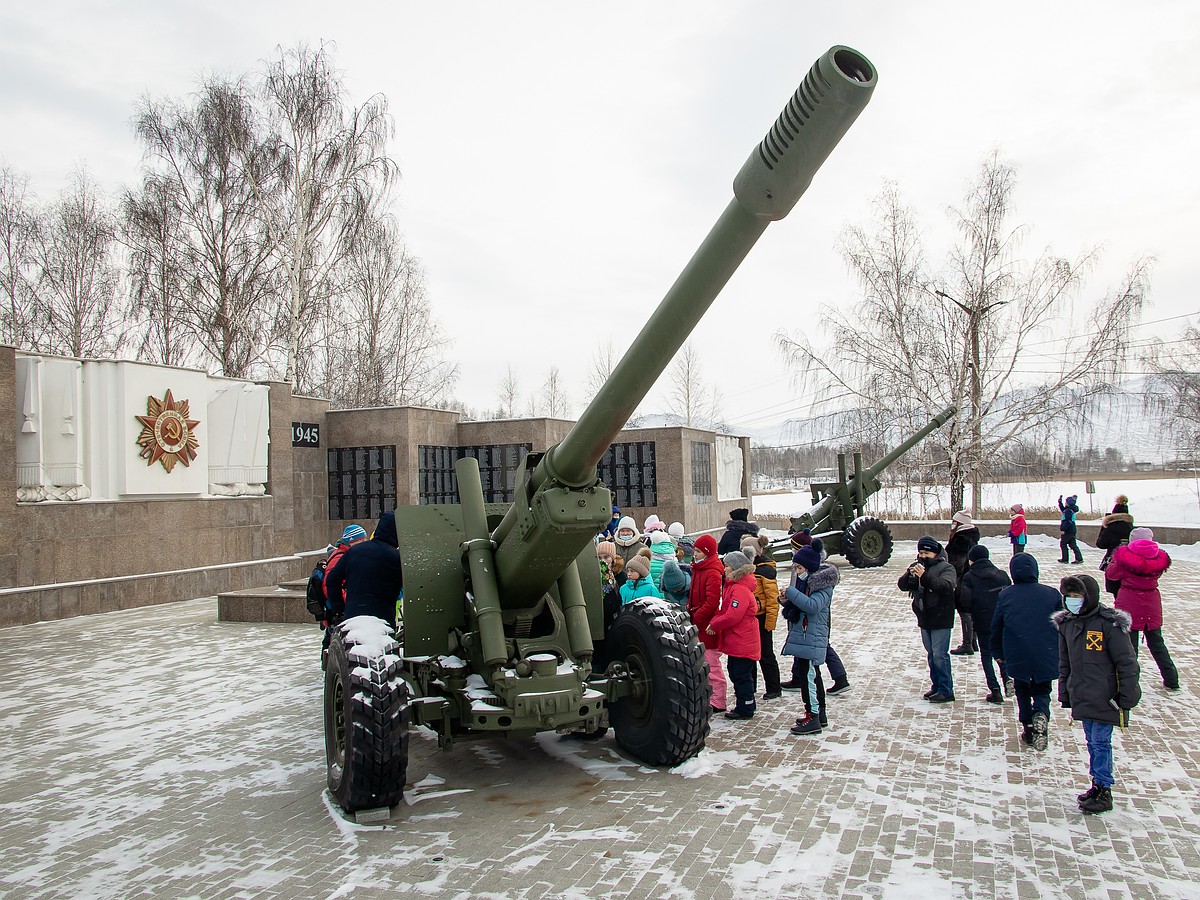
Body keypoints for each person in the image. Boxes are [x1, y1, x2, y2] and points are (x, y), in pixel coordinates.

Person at [1054, 573, 1141, 815]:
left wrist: (1127, 695)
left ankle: (1104, 789)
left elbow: (1127, 662)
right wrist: (1066, 692)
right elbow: (1065, 662)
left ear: (1089, 597)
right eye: (1069, 596)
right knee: (1092, 742)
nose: (1073, 601)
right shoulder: (1067, 624)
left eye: (1078, 596)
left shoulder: (1108, 624)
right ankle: (1097, 784)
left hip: (1106, 697)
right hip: (1083, 693)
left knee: (1101, 743)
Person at [990, 553, 1062, 750]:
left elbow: (997, 625)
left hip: (1016, 650)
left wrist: (996, 650)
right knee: (1043, 688)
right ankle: (1041, 713)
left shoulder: (1006, 594)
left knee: (1022, 688)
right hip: (1045, 651)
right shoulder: (1052, 594)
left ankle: (1028, 726)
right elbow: (1062, 625)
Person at [1104, 527, 1179, 690]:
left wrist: (1116, 560)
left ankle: (1130, 683)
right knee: (1157, 643)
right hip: (1151, 602)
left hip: (1129, 602)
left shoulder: (1124, 557)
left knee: (1129, 646)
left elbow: (1111, 575)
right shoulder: (1159, 557)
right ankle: (1171, 678)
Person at [782, 541, 837, 735]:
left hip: (812, 638)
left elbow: (812, 606)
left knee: (810, 679)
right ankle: (818, 714)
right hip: (806, 637)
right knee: (811, 678)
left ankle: (813, 714)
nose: (797, 572)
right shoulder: (805, 583)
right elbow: (800, 604)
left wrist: (791, 592)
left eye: (799, 568)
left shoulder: (823, 586)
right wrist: (786, 601)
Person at [897, 535, 958, 702]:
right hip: (924, 616)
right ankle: (936, 686)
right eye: (920, 553)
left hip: (941, 616)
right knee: (931, 654)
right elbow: (903, 586)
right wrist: (909, 576)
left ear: (935, 553)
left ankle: (946, 690)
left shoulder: (947, 568)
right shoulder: (918, 566)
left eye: (926, 553)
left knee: (940, 655)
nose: (922, 556)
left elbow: (944, 586)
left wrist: (924, 576)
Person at [706, 551, 762, 720]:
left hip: (742, 641)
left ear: (736, 569)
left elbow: (733, 615)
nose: (724, 569)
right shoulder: (734, 586)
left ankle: (745, 707)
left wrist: (715, 624)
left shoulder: (739, 589)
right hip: (739, 640)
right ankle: (746, 702)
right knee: (738, 672)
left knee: (740, 674)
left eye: (727, 566)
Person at [324, 510, 404, 628]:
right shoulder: (397, 557)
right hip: (383, 620)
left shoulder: (354, 551)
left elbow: (332, 579)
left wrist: (339, 609)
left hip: (353, 618)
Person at [959, 544, 1012, 703]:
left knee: (986, 655)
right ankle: (1007, 677)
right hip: (1002, 622)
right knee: (1001, 653)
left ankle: (995, 690)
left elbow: (965, 602)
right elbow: (1010, 596)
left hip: (982, 622)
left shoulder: (969, 577)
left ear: (972, 560)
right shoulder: (1002, 575)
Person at [687, 533, 727, 713]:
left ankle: (719, 700)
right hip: (699, 621)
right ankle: (709, 695)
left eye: (698, 551)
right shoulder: (699, 568)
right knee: (703, 663)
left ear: (707, 552)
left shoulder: (712, 572)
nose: (694, 554)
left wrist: (697, 616)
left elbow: (711, 602)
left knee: (712, 663)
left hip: (707, 625)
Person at [742, 535, 781, 701]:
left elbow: (773, 599)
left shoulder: (765, 571)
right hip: (749, 618)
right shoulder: (746, 568)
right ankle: (751, 686)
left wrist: (770, 623)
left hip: (762, 618)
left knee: (766, 654)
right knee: (749, 654)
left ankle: (774, 687)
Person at [947, 510, 982, 655]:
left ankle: (968, 643)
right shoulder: (970, 536)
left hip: (963, 579)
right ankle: (972, 641)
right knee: (969, 611)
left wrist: (953, 579)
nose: (952, 525)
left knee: (964, 611)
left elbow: (957, 562)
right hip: (970, 578)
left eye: (954, 522)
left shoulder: (960, 540)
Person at [1094, 495, 1134, 598]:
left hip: (1113, 563)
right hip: (1130, 564)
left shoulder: (1109, 528)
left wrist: (1104, 527)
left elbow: (1100, 544)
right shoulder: (1132, 528)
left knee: (1116, 593)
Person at [1058, 494, 1084, 564]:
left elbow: (1067, 521)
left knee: (1063, 544)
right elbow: (1063, 509)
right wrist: (1060, 502)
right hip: (1072, 529)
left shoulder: (1068, 511)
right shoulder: (1071, 509)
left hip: (1068, 530)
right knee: (1072, 544)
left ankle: (1065, 559)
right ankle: (1079, 558)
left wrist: (1063, 529)